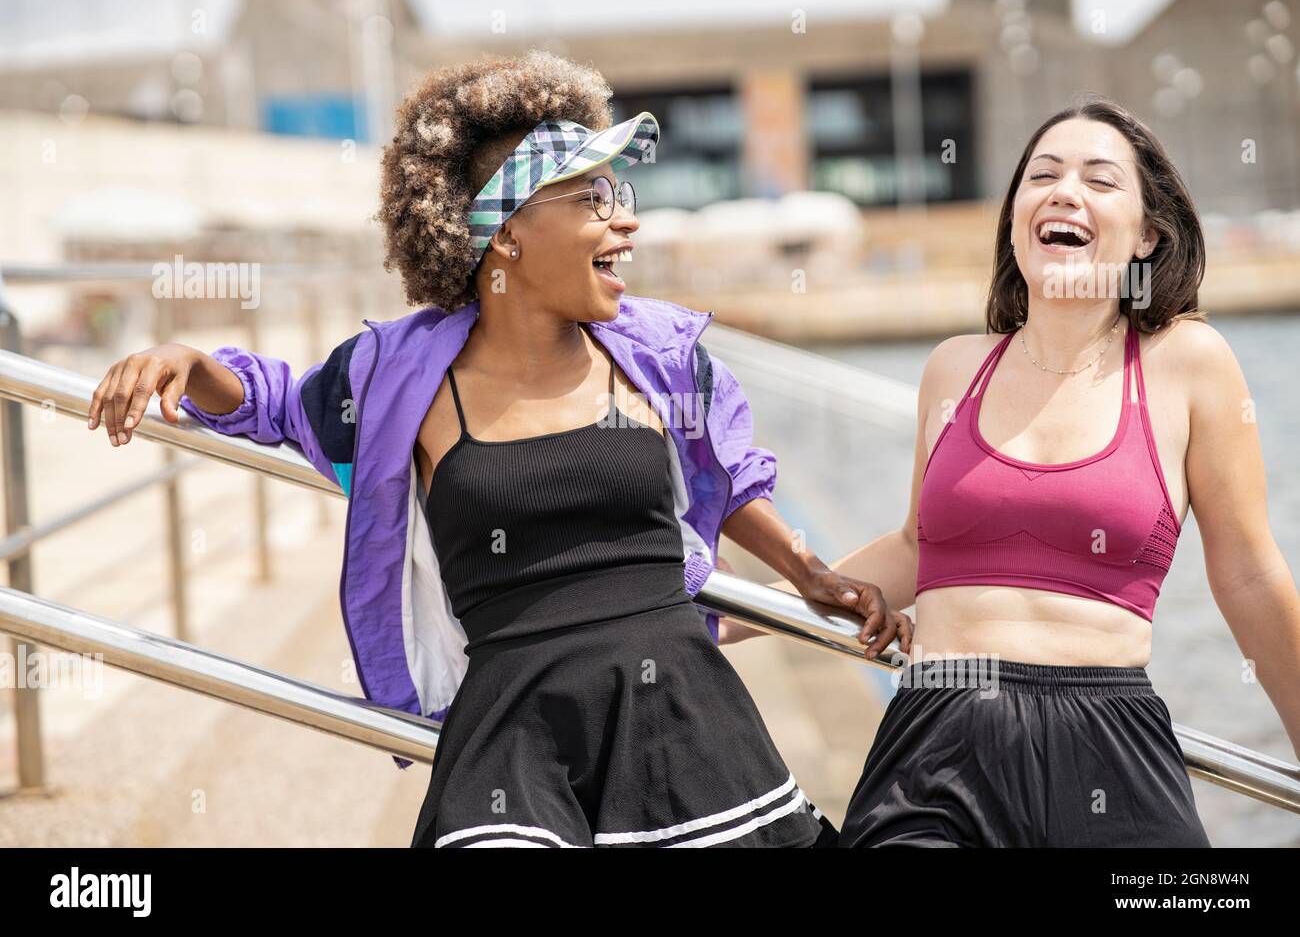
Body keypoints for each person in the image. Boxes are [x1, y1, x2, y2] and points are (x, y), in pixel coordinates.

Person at [85, 50, 910, 848]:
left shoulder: (660, 354)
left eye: (618, 192)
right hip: (514, 731)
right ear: (508, 232)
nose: (627, 219)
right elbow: (274, 403)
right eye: (593, 197)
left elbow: (729, 477)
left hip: (684, 714)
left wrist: (810, 576)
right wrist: (188, 363)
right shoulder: (394, 376)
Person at [827, 93, 1300, 847]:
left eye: (1099, 179)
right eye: (1042, 174)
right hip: (937, 737)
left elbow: (1247, 572)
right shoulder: (955, 367)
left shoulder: (1189, 363)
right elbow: (918, 548)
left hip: (1110, 739)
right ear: (1017, 218)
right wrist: (731, 609)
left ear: (1148, 235)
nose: (1064, 190)